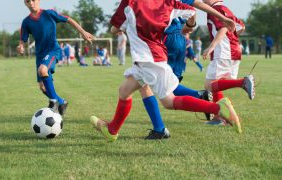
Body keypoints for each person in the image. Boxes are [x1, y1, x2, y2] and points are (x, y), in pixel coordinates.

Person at [90, 0, 242, 142]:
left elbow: (114, 28)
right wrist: (222, 18)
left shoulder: (130, 2)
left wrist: (120, 27)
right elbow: (192, 9)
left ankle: (218, 108)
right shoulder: (168, 2)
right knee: (124, 90)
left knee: (169, 101)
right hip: (152, 56)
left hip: (149, 59)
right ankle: (112, 130)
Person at [139, 0, 241, 139]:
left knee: (155, 88)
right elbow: (194, 6)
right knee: (162, 84)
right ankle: (200, 97)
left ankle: (160, 128)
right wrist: (190, 24)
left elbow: (196, 5)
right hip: (178, 37)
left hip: (165, 38)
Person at [17, 0, 94, 115]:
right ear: (25, 3)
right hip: (40, 55)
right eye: (28, 1)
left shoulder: (49, 13)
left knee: (43, 70)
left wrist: (82, 32)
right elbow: (23, 39)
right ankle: (61, 101)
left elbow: (69, 19)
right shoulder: (26, 22)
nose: (31, 3)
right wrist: (21, 47)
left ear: (38, 1)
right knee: (43, 87)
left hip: (53, 50)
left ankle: (54, 102)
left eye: (33, 0)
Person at [202, 0, 255, 124]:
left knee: (210, 85)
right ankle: (219, 118)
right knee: (216, 84)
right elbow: (241, 26)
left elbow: (222, 29)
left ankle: (243, 82)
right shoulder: (226, 9)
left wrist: (212, 46)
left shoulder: (214, 9)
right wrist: (232, 38)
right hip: (234, 50)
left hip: (223, 51)